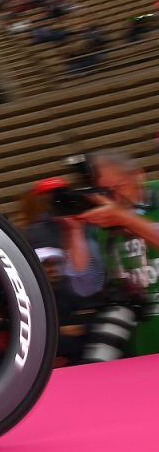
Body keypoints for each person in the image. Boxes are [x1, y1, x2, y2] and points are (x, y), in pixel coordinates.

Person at [62, 151, 159, 357]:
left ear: (139, 175)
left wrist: (126, 219)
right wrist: (75, 231)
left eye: (118, 187)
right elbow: (86, 286)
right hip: (138, 337)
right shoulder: (102, 221)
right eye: (106, 192)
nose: (114, 198)